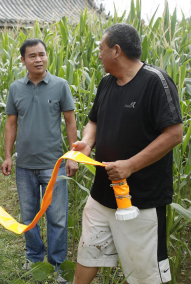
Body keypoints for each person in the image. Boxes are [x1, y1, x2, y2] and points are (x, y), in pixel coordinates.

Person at [73, 23, 183, 284]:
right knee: (88, 253)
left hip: (140, 200)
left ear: (116, 50)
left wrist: (131, 165)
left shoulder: (155, 82)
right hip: (101, 193)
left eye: (101, 48)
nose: (98, 54)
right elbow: (94, 121)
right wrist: (87, 142)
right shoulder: (107, 83)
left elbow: (174, 134)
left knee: (145, 275)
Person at [1, 38, 78, 283]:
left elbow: (70, 121)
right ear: (23, 60)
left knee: (57, 217)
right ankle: (34, 258)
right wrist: (7, 156)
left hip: (54, 165)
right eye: (32, 56)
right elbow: (11, 123)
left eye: (42, 54)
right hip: (24, 165)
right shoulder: (16, 88)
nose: (38, 59)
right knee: (29, 216)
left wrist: (73, 156)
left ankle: (56, 265)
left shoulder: (60, 85)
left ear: (47, 57)